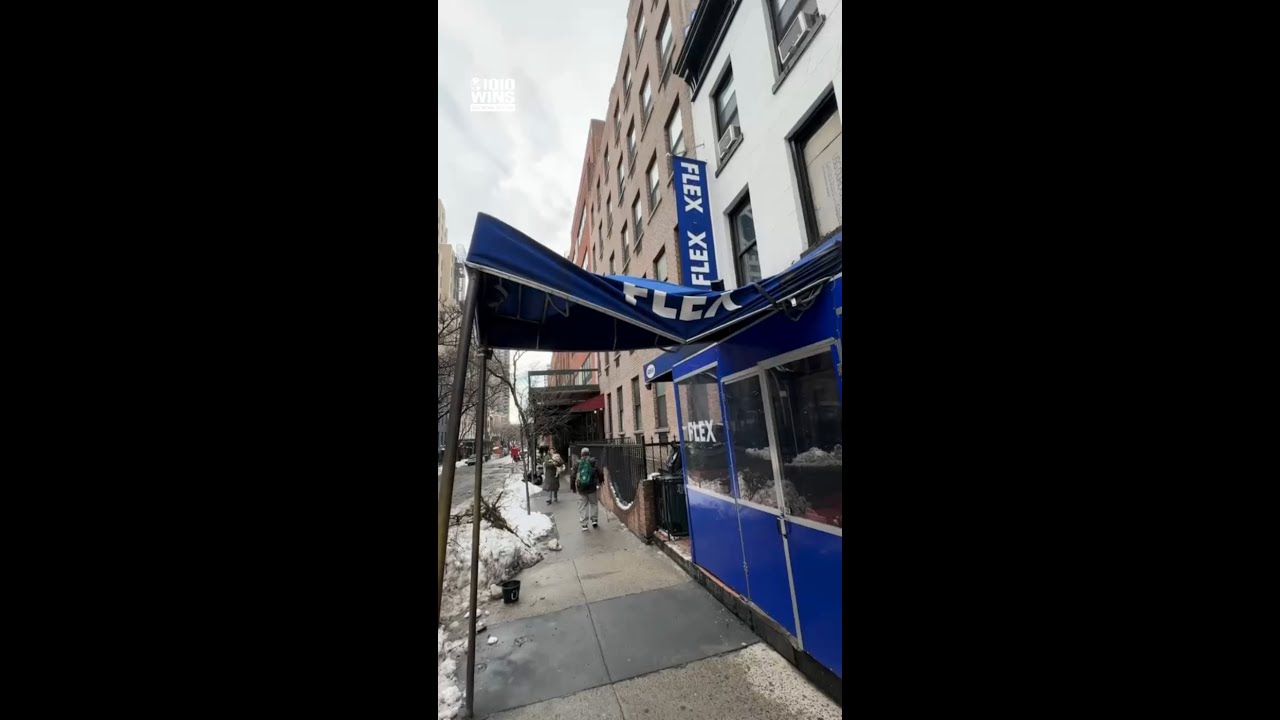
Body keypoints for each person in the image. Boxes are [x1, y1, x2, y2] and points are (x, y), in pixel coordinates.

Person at [575, 447, 600, 530]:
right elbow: (599, 472)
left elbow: (573, 475)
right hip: (592, 487)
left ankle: (584, 524)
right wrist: (600, 481)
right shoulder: (593, 461)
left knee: (583, 506)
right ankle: (594, 520)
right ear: (589, 453)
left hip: (581, 488)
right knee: (594, 504)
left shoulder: (578, 463)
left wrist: (573, 487)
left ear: (581, 454)